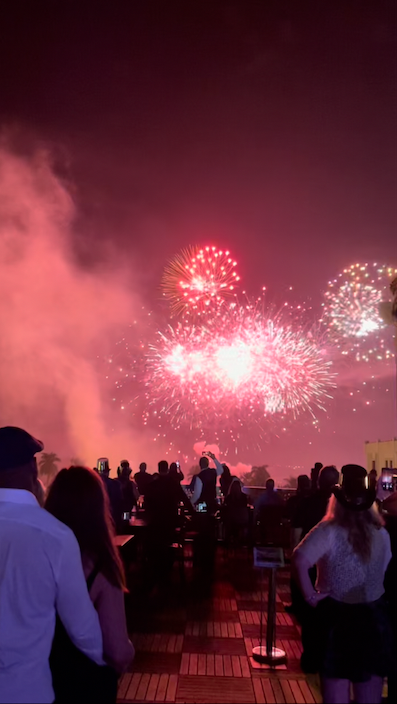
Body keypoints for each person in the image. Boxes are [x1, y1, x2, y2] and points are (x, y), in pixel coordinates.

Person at [0, 427, 104, 704]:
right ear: (34, 467)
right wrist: (104, 660)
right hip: (27, 691)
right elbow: (82, 628)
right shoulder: (54, 535)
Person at [292, 465, 392, 704]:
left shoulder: (329, 530)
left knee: (335, 694)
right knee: (370, 694)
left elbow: (299, 559)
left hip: (336, 620)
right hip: (372, 619)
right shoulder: (381, 533)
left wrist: (311, 597)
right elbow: (385, 567)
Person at [46, 466, 134, 702]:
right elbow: (117, 651)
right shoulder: (100, 569)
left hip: (41, 680)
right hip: (85, 684)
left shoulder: (37, 557)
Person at [96, 460, 123, 531]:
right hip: (113, 519)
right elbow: (119, 502)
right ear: (108, 471)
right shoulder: (115, 484)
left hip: (98, 521)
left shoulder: (93, 485)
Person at [223, 477, 249, 547]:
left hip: (230, 521)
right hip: (242, 520)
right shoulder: (244, 497)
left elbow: (225, 508)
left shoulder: (229, 498)